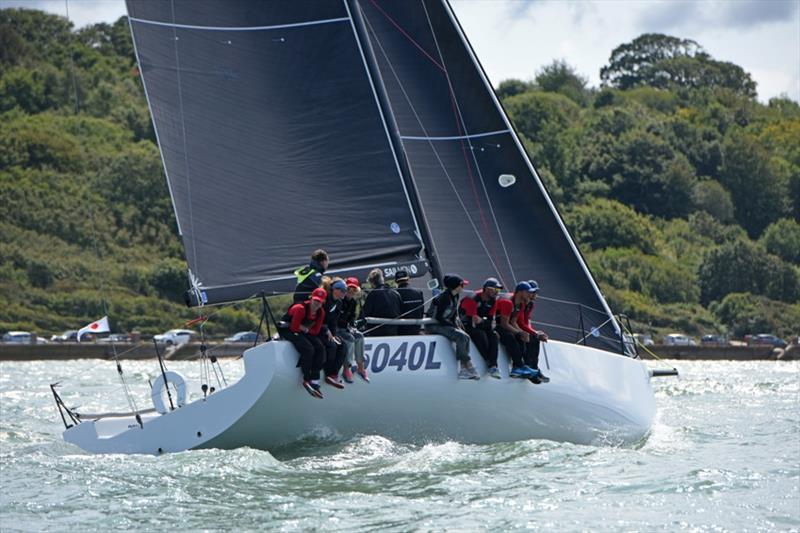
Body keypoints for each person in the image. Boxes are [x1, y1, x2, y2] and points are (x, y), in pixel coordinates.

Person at [426, 274, 479, 380]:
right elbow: (439, 317)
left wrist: (457, 326)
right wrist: (453, 327)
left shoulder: (455, 296)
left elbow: (454, 315)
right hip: (434, 325)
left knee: (466, 336)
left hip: (444, 324)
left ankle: (464, 367)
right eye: (462, 285)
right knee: (460, 336)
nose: (463, 287)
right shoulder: (444, 297)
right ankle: (466, 365)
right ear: (456, 286)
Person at [278, 287, 328, 398]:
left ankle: (315, 379)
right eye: (315, 300)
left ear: (323, 302)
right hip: (288, 330)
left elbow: (316, 331)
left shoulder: (321, 313)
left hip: (302, 330)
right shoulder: (300, 308)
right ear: (311, 299)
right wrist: (305, 329)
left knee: (320, 348)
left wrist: (305, 329)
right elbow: (294, 328)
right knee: (308, 349)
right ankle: (306, 379)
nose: (317, 303)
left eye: (320, 301)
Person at [494, 282, 541, 380]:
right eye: (529, 292)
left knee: (522, 337)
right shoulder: (508, 302)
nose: (530, 295)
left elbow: (513, 321)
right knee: (511, 337)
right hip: (495, 325)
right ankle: (518, 367)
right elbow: (504, 324)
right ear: (521, 292)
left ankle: (524, 367)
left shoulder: (520, 304)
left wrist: (523, 333)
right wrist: (518, 332)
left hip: (506, 325)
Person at [460, 277, 502, 379]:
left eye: (499, 290)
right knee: (480, 334)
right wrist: (484, 322)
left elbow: (491, 322)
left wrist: (482, 321)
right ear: (487, 289)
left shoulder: (493, 300)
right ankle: (488, 360)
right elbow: (473, 322)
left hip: (480, 324)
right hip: (465, 324)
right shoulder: (472, 298)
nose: (498, 292)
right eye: (496, 290)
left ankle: (493, 366)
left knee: (494, 335)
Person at [337, 277, 368, 383]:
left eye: (353, 290)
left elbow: (351, 318)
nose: (350, 292)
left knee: (360, 336)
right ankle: (346, 368)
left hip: (345, 328)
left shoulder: (353, 302)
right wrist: (348, 325)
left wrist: (353, 324)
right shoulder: (339, 301)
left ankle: (361, 367)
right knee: (350, 339)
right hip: (336, 329)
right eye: (349, 289)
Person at [321, 278, 347, 389]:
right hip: (318, 328)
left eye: (345, 290)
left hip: (328, 330)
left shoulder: (339, 303)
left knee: (343, 345)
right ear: (335, 290)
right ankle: (328, 373)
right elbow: (318, 318)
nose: (344, 293)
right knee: (332, 346)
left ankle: (334, 374)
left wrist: (334, 334)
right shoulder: (325, 299)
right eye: (342, 290)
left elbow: (334, 321)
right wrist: (326, 330)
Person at [522, 280, 550, 383]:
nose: (535, 295)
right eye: (533, 292)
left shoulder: (530, 304)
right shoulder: (520, 302)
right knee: (531, 337)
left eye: (536, 292)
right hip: (515, 327)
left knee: (535, 338)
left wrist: (533, 332)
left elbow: (527, 320)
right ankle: (528, 368)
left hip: (521, 327)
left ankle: (534, 368)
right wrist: (531, 332)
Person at [361, 268, 402, 337]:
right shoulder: (395, 293)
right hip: (394, 331)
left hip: (376, 333)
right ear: (382, 280)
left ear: (372, 283)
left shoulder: (373, 294)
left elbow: (365, 313)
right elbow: (401, 311)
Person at [394, 269, 424, 335]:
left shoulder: (394, 293)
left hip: (401, 332)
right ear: (408, 279)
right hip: (416, 329)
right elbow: (421, 311)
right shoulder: (418, 292)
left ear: (396, 281)